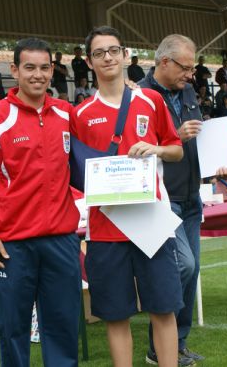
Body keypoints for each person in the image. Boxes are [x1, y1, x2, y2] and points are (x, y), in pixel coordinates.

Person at [0, 37, 81, 366]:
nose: (38, 75)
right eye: (29, 67)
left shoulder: (65, 114)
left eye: (45, 68)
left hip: (61, 241)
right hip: (12, 244)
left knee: (62, 328)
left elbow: (98, 151)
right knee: (13, 330)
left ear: (52, 71)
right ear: (15, 70)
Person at [71, 26, 183, 366]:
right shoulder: (80, 114)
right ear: (89, 62)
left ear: (125, 55)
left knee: (163, 308)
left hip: (151, 222)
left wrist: (157, 148)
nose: (107, 57)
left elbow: (177, 150)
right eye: (99, 53)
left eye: (113, 50)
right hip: (106, 227)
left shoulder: (151, 101)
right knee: (116, 315)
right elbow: (77, 172)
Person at [138, 34, 227, 366]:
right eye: (186, 68)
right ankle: (157, 347)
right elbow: (136, 147)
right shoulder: (139, 96)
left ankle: (177, 344)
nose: (190, 75)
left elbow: (199, 137)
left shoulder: (188, 91)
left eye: (192, 69)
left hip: (192, 195)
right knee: (183, 265)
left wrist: (217, 163)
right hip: (163, 198)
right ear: (164, 62)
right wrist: (175, 136)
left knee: (192, 272)